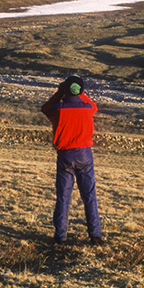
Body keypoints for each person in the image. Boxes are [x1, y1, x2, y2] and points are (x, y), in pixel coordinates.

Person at [41, 74, 104, 246]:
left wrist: (59, 92)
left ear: (65, 90)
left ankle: (60, 237)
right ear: (81, 90)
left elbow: (45, 108)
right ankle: (95, 235)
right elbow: (94, 106)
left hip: (65, 155)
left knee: (63, 197)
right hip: (84, 154)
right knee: (89, 196)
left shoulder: (58, 109)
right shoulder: (87, 108)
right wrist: (80, 92)